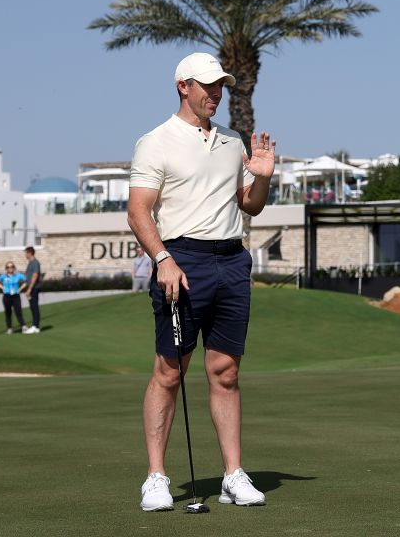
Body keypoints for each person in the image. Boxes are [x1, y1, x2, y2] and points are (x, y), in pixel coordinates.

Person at [126, 52, 277, 513]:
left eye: (221, 86)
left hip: (231, 260)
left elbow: (248, 207)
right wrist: (164, 259)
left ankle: (233, 474)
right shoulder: (156, 141)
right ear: (183, 86)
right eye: (208, 86)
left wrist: (264, 180)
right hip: (182, 259)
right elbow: (138, 211)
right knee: (170, 372)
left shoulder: (233, 142)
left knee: (226, 372)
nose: (216, 93)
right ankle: (156, 477)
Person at [0, 260, 27, 333]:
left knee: (18, 311)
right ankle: (9, 328)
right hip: (6, 296)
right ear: (6, 268)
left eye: (12, 266)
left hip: (16, 295)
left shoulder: (18, 275)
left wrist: (20, 289)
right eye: (8, 267)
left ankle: (23, 326)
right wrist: (2, 288)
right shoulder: (3, 276)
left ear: (14, 268)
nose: (10, 268)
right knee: (8, 312)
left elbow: (27, 281)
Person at [23, 246, 43, 333]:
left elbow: (35, 276)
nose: (25, 254)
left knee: (34, 306)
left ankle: (36, 326)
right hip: (30, 287)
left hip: (34, 288)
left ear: (30, 253)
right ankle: (35, 326)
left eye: (26, 253)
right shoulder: (30, 263)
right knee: (32, 306)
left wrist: (30, 288)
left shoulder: (35, 262)